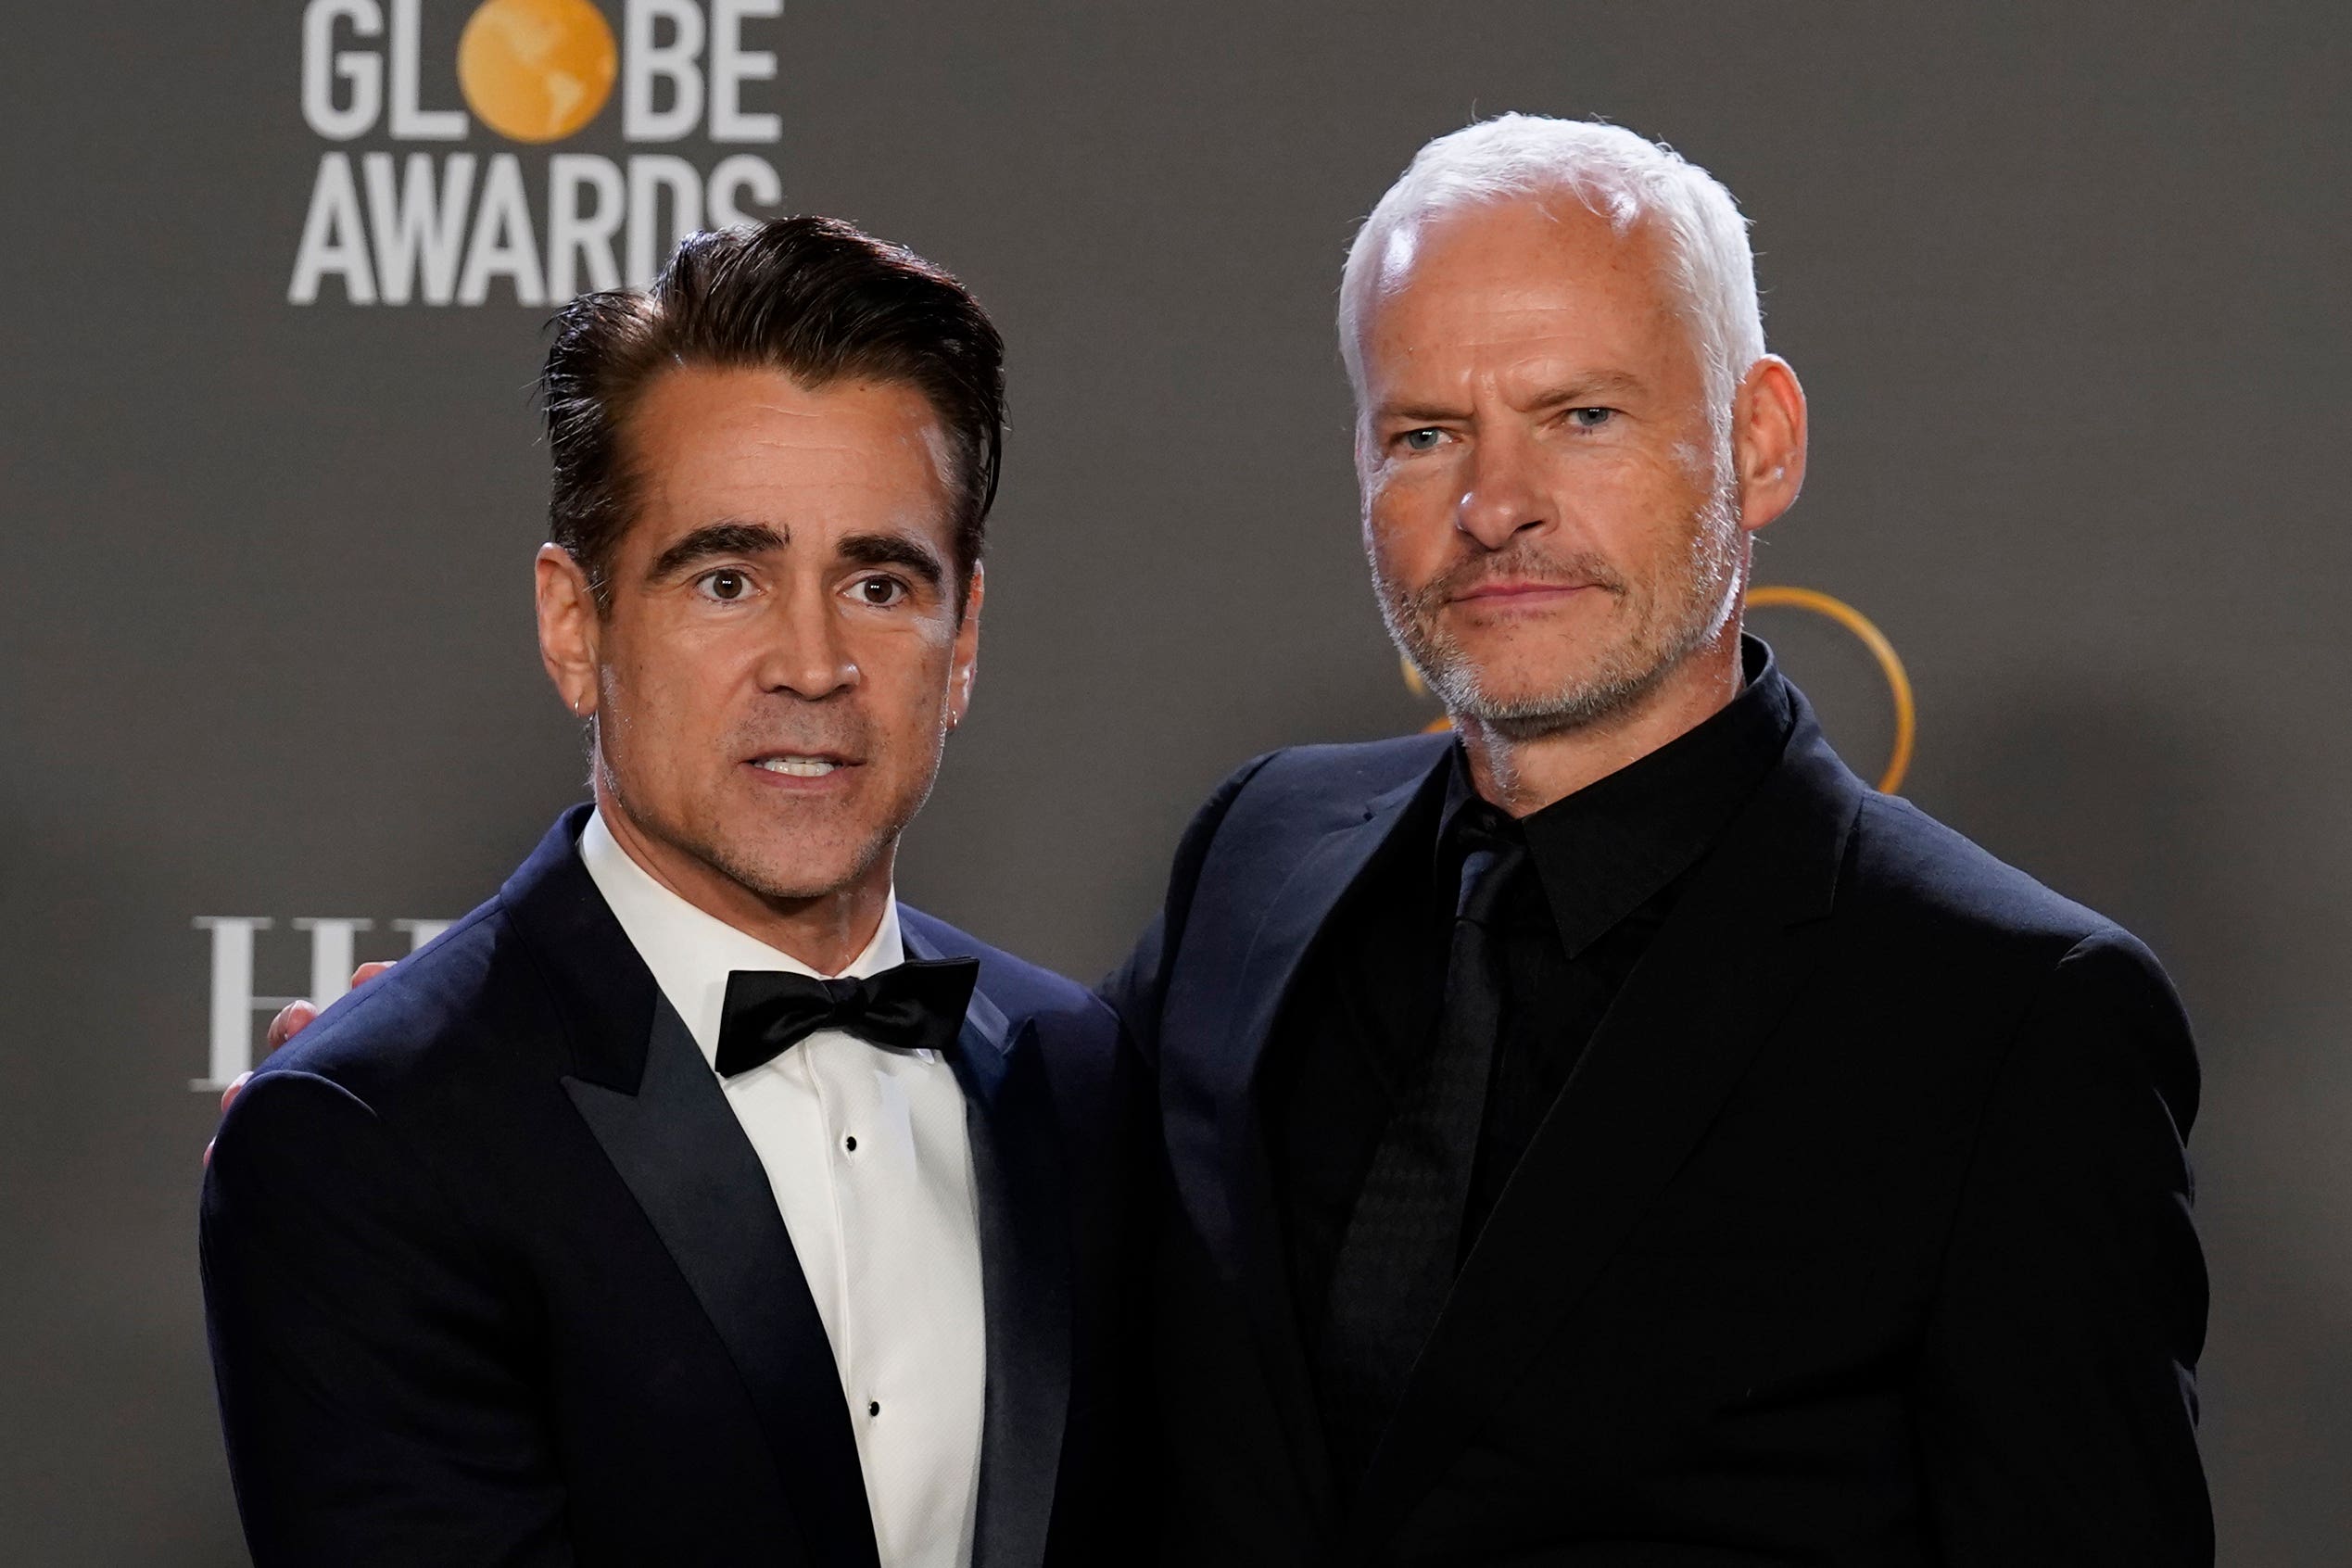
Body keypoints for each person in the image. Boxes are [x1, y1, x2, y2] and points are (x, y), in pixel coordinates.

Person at [1104, 115, 2210, 1564]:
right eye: (1424, 435)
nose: (1494, 508)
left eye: (1581, 416)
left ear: (1758, 443)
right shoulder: (1257, 857)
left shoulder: (2008, 1018)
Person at [199, 218, 1144, 1568]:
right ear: (574, 628)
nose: (813, 664)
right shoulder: (372, 1136)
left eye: (879, 582)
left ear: (964, 640)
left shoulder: (1079, 1075)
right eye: (725, 579)